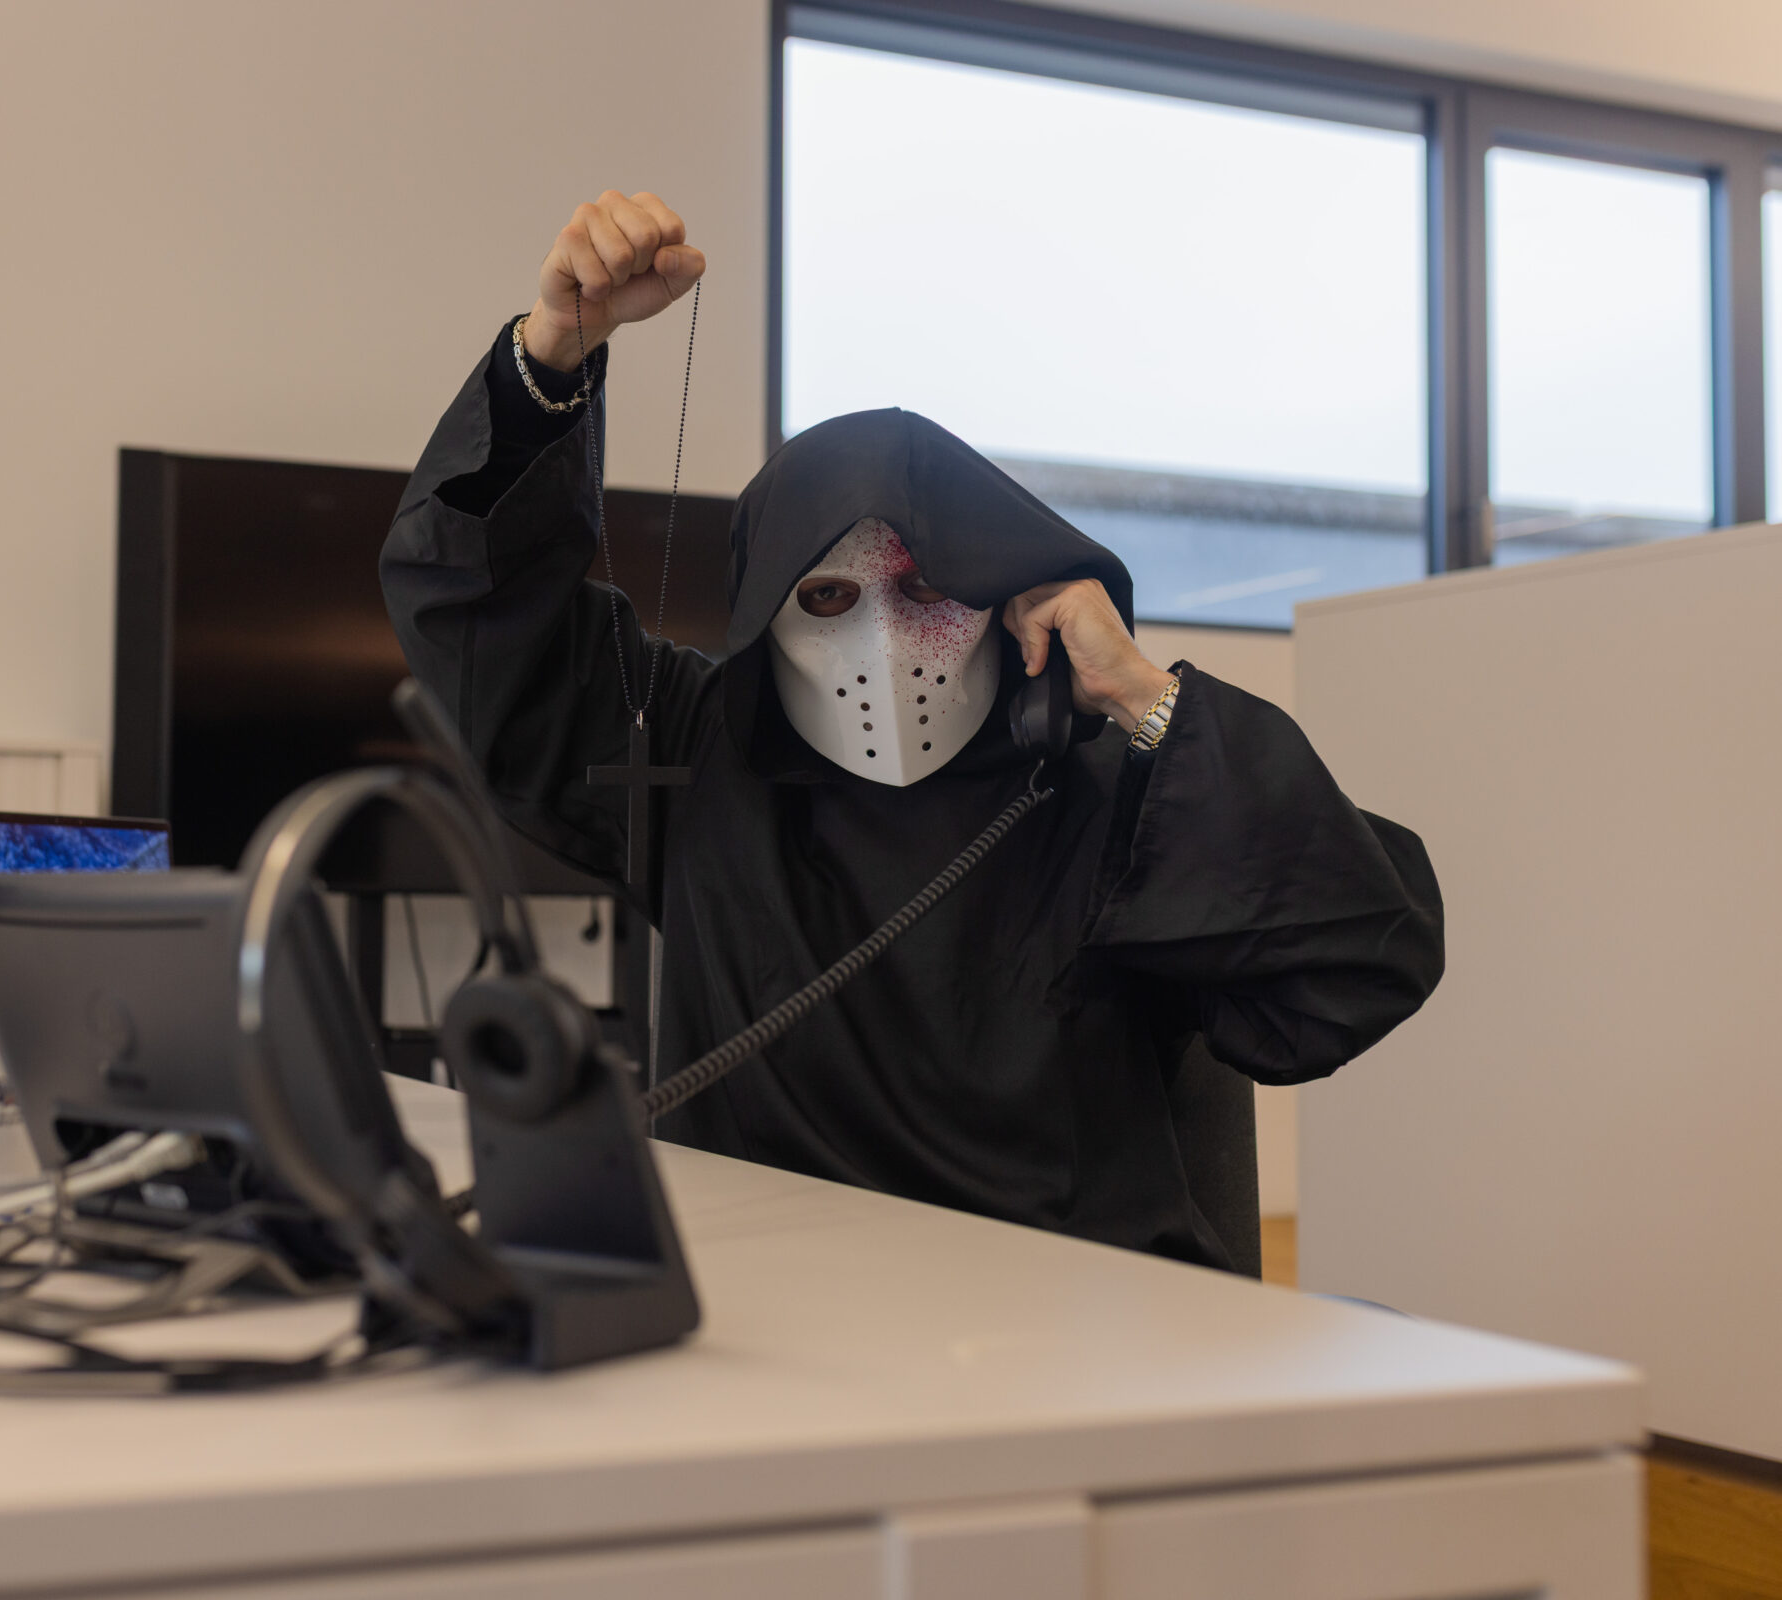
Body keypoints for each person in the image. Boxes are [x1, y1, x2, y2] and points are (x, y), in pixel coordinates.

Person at [380, 191, 1443, 1270]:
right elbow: (479, 621)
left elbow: (1357, 963)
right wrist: (550, 356)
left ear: (1004, 589)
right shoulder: (698, 750)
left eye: (927, 588)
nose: (886, 644)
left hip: (1059, 1315)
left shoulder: (1102, 787)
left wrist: (1142, 698)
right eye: (831, 598)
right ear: (769, 612)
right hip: (775, 1301)